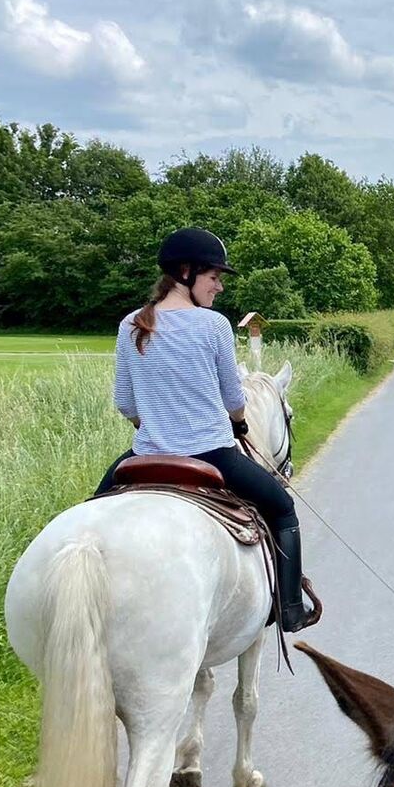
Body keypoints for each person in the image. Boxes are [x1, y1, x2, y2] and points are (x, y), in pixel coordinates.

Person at [96, 227, 320, 633]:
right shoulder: (213, 325)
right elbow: (234, 398)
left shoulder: (131, 324)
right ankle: (290, 608)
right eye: (214, 276)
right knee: (283, 509)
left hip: (146, 454)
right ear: (186, 272)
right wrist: (239, 422)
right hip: (213, 454)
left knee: (93, 511)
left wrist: (157, 425)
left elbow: (126, 404)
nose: (219, 286)